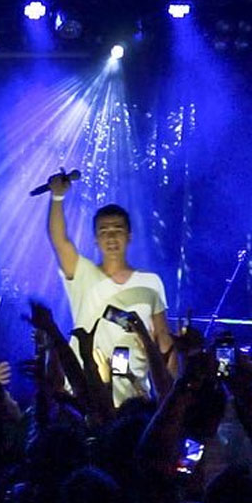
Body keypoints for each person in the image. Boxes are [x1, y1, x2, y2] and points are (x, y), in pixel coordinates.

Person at [47, 170, 174, 406]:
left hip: (135, 400)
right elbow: (59, 241)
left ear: (129, 236)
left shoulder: (151, 282)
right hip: (87, 398)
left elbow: (164, 342)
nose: (111, 237)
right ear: (95, 239)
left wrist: (171, 395)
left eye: (117, 230)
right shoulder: (83, 274)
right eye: (103, 231)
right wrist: (57, 197)